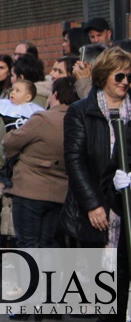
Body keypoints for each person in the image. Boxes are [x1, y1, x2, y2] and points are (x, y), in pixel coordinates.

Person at [62, 46, 131, 321]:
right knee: (107, 289)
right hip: (100, 213)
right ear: (103, 77)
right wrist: (92, 205)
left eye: (129, 76)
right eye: (120, 76)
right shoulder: (81, 111)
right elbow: (75, 161)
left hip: (128, 208)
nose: (126, 81)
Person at [3, 76, 77, 250]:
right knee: (49, 244)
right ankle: (47, 278)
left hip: (30, 189)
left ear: (55, 95)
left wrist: (18, 155)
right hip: (60, 191)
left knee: (28, 244)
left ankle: (30, 278)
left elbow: (10, 142)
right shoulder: (78, 121)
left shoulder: (44, 119)